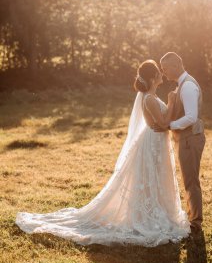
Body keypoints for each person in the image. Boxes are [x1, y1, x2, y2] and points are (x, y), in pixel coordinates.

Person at [15, 59, 190, 247]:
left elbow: (164, 122)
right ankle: (148, 216)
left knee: (155, 179)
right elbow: (163, 124)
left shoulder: (152, 97)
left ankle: (157, 210)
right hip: (152, 143)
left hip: (157, 143)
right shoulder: (148, 98)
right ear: (154, 76)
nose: (162, 74)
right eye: (159, 72)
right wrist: (172, 102)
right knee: (150, 178)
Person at [152, 52, 206, 234]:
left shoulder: (188, 86)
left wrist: (169, 125)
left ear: (175, 66)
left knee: (191, 181)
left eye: (165, 69)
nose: (164, 73)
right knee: (189, 179)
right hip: (186, 138)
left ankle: (195, 223)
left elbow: (191, 116)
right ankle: (193, 218)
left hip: (190, 139)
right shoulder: (182, 85)